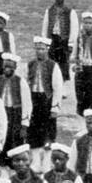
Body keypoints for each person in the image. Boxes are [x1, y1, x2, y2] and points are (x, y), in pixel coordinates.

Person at [25, 36, 65, 172]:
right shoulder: (30, 64)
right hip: (33, 101)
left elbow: (58, 87)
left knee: (48, 133)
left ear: (47, 49)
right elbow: (26, 83)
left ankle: (47, 163)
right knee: (34, 132)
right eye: (37, 49)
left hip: (46, 101)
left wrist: (55, 107)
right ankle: (36, 162)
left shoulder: (53, 66)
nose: (39, 52)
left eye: (42, 49)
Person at [41, 0, 78, 86]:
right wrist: (45, 41)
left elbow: (74, 28)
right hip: (52, 39)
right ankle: (53, 84)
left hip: (64, 40)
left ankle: (63, 86)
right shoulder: (49, 11)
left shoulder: (70, 12)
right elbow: (45, 26)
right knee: (52, 62)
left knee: (63, 63)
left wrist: (71, 43)